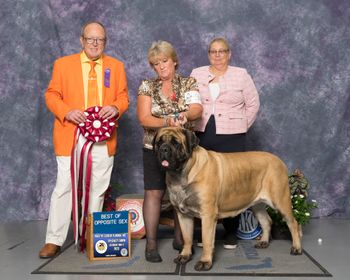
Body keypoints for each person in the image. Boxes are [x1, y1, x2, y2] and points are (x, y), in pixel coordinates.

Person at [39, 21, 129, 258]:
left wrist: (115, 107)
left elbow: (123, 97)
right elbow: (51, 95)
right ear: (81, 40)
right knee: (64, 187)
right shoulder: (63, 65)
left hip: (103, 136)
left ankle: (92, 235)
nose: (95, 43)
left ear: (105, 42)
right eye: (90, 39)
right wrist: (67, 111)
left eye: (100, 39)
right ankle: (54, 239)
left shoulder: (116, 66)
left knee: (98, 188)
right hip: (71, 134)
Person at [190, 37, 260, 249]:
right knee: (202, 184)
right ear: (209, 54)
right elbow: (190, 100)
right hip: (203, 134)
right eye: (213, 51)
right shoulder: (197, 73)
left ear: (229, 53)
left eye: (222, 51)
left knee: (231, 182)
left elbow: (253, 104)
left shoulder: (241, 74)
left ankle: (231, 232)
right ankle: (204, 233)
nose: (218, 55)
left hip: (233, 136)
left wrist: (240, 126)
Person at [137, 40, 203, 262]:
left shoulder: (188, 83)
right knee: (154, 192)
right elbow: (144, 118)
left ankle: (181, 239)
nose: (161, 66)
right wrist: (167, 120)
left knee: (182, 192)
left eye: (164, 61)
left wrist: (185, 116)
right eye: (156, 64)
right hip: (154, 148)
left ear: (174, 61)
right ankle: (151, 245)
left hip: (183, 149)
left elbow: (196, 109)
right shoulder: (147, 85)